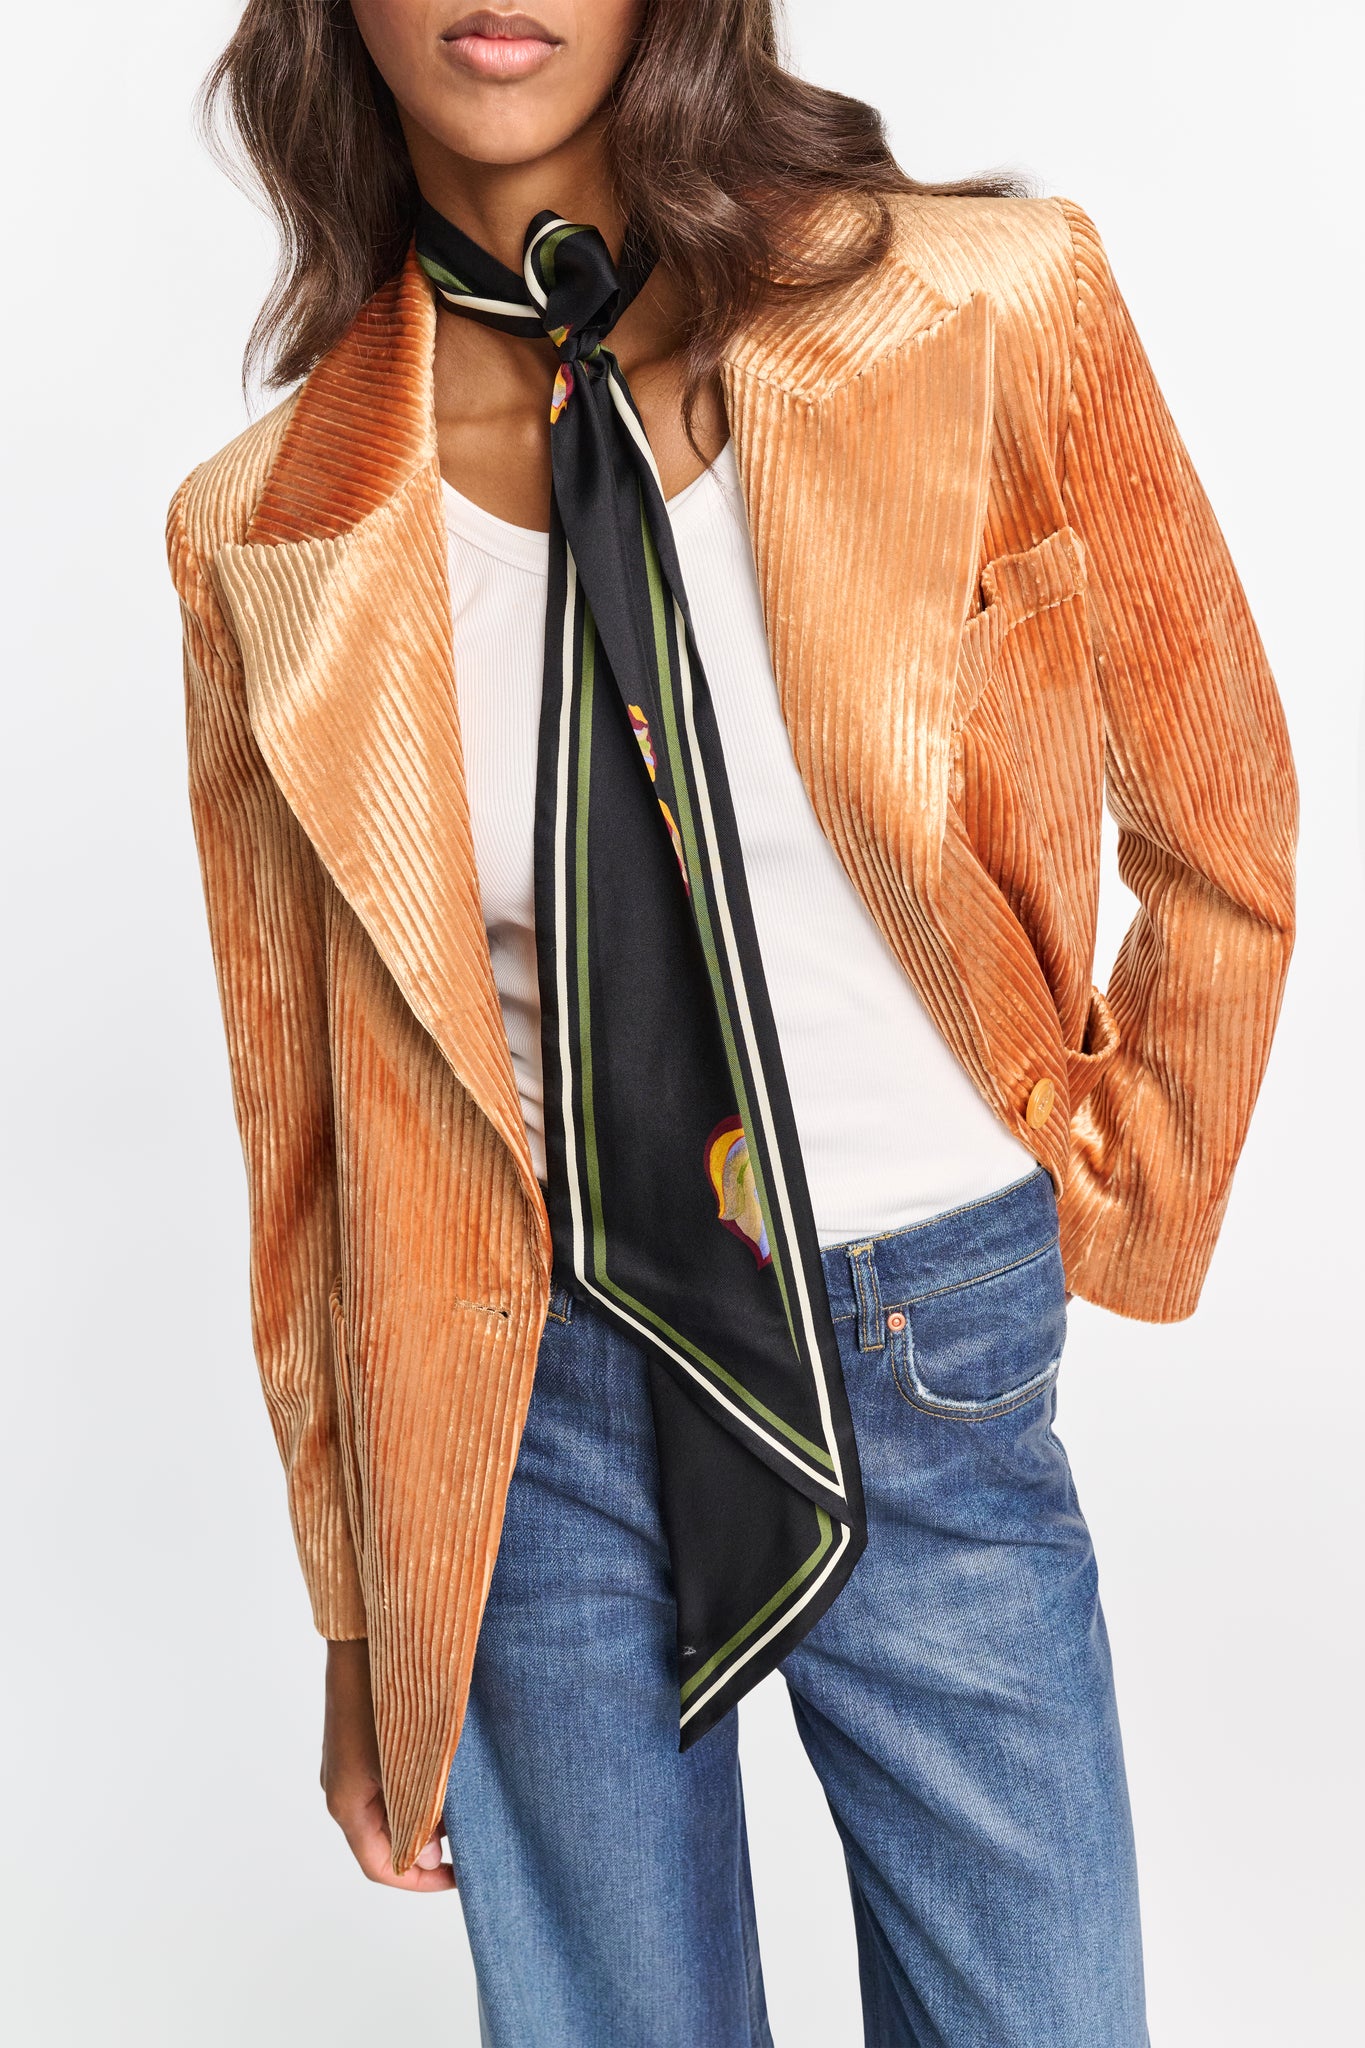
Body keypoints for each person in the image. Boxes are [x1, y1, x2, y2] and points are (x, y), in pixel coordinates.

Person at [168, 3, 1297, 2041]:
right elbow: (302, 1128)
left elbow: (1218, 814)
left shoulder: (980, 306)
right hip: (520, 1406)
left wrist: (1114, 1177)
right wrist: (363, 1611)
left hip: (923, 1342)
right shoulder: (267, 527)